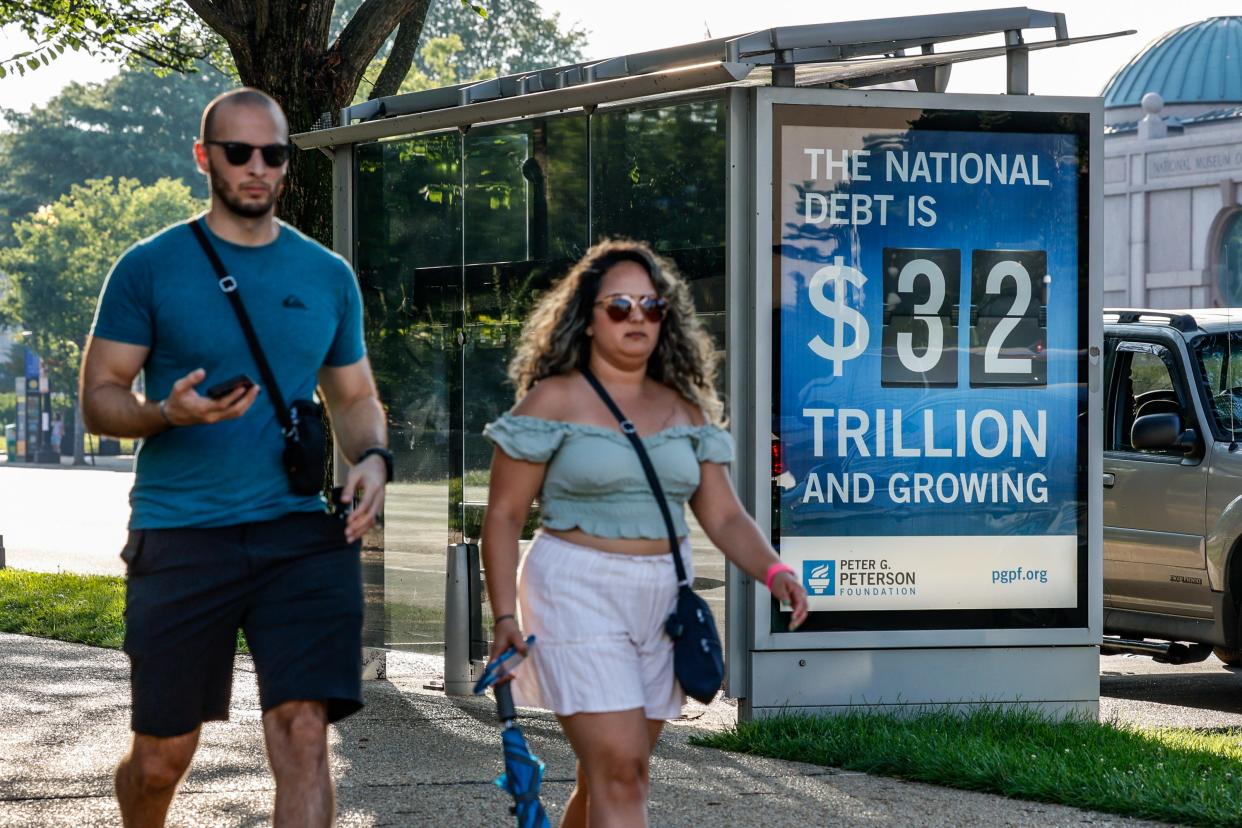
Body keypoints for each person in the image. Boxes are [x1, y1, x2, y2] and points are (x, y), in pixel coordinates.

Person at [79, 87, 393, 828]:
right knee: (161, 758)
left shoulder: (326, 275)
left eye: (274, 154)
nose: (258, 167)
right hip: (182, 532)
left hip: (298, 533)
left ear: (287, 164)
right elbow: (100, 397)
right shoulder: (149, 267)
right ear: (204, 157)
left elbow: (353, 397)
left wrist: (372, 456)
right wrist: (164, 413)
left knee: (303, 732)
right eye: (239, 152)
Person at [482, 239, 809, 827]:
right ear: (586, 320)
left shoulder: (685, 409)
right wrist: (505, 616)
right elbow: (504, 517)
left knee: (613, 772)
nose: (637, 317)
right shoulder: (552, 401)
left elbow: (725, 515)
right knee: (621, 771)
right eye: (619, 306)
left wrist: (775, 571)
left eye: (651, 307)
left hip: (663, 600)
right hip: (574, 590)